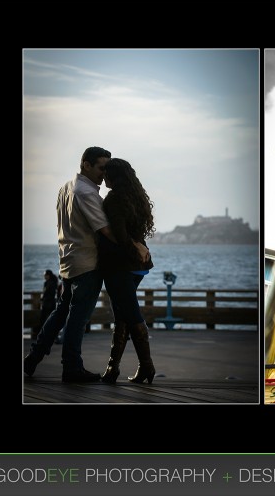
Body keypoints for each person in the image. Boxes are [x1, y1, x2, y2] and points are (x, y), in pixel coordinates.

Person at [24, 146, 149, 382]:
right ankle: (71, 367)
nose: (105, 173)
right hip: (87, 263)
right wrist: (137, 246)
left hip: (67, 260)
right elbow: (108, 231)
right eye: (101, 167)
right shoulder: (88, 193)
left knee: (61, 312)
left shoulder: (65, 187)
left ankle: (33, 357)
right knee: (77, 318)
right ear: (86, 165)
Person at [98, 158, 156, 384]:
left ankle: (147, 366)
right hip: (138, 267)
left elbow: (120, 236)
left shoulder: (114, 199)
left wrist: (134, 253)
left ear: (114, 176)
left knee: (130, 315)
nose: (104, 178)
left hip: (121, 266)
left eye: (107, 174)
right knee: (122, 316)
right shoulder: (136, 196)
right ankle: (113, 368)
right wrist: (141, 254)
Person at [36, 270, 59, 340]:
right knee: (51, 320)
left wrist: (43, 299)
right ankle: (50, 335)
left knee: (44, 320)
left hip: (48, 304)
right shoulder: (50, 282)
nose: (44, 276)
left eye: (45, 275)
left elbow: (49, 294)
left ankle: (42, 336)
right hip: (50, 303)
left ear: (48, 275)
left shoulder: (50, 283)